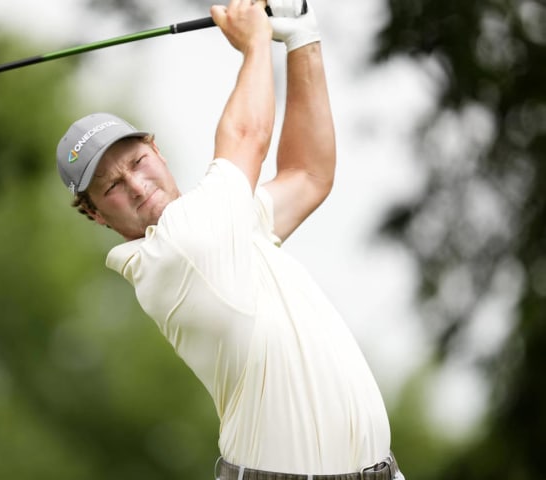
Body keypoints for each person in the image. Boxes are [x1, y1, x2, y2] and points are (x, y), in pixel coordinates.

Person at [56, 1, 404, 479]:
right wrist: (256, 40)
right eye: (112, 186)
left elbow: (308, 175)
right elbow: (246, 134)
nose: (136, 186)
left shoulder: (222, 225)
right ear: (95, 214)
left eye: (136, 163)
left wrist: (302, 39)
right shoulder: (177, 249)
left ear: (155, 149)